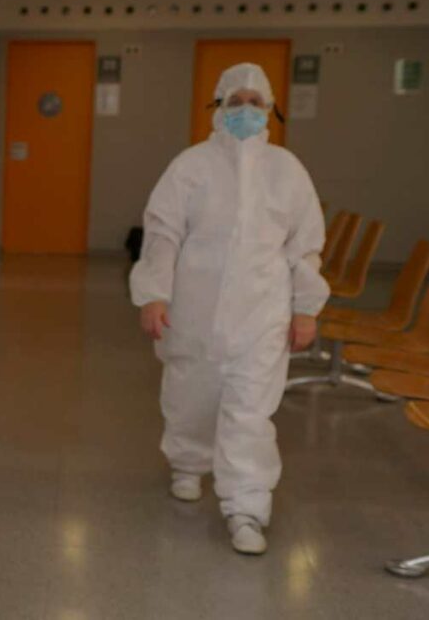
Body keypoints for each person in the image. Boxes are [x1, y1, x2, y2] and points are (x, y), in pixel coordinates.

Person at [129, 63, 328, 555]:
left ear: (270, 110)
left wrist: (306, 307)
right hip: (194, 307)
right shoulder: (191, 166)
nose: (245, 110)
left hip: (264, 311)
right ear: (218, 108)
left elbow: (304, 246)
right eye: (235, 101)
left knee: (251, 411)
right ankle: (188, 464)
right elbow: (162, 233)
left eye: (255, 103)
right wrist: (154, 293)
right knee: (191, 393)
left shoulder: (287, 170)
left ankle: (247, 507)